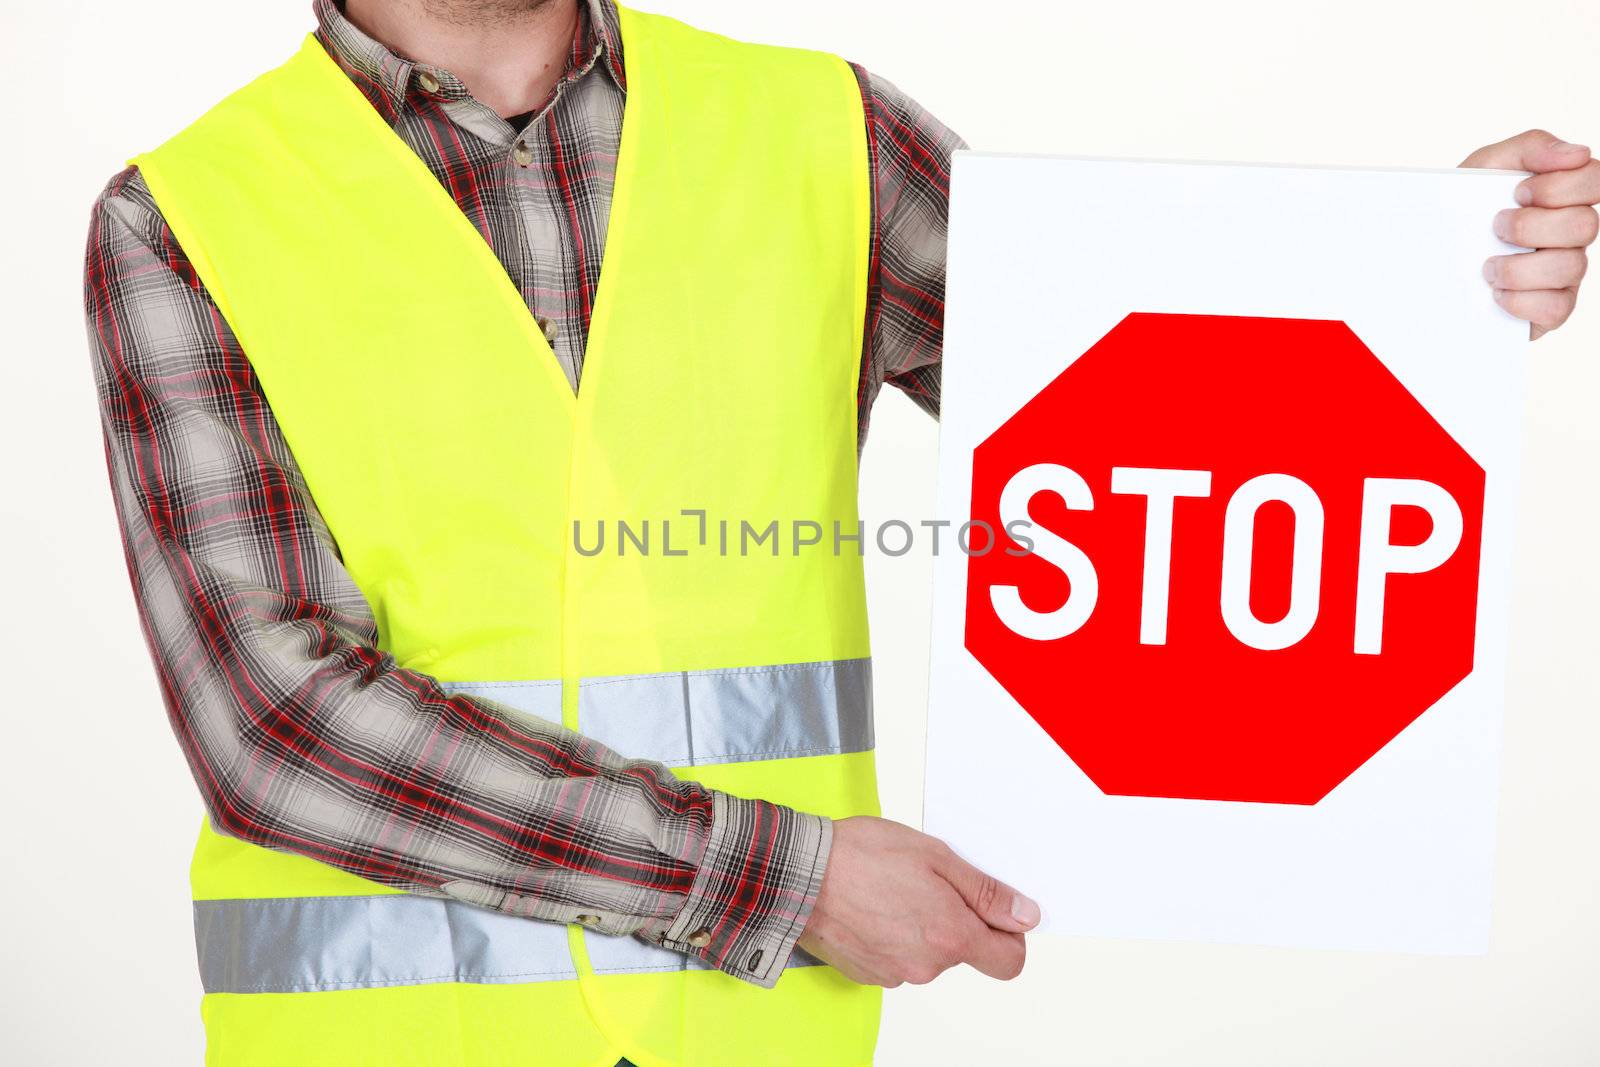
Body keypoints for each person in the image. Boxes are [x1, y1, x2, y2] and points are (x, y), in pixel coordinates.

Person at [81, 1, 1597, 1065]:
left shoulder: (816, 131)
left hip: (767, 1046)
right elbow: (272, 722)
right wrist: (784, 881)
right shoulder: (186, 216)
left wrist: (1429, 285)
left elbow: (1163, 406)